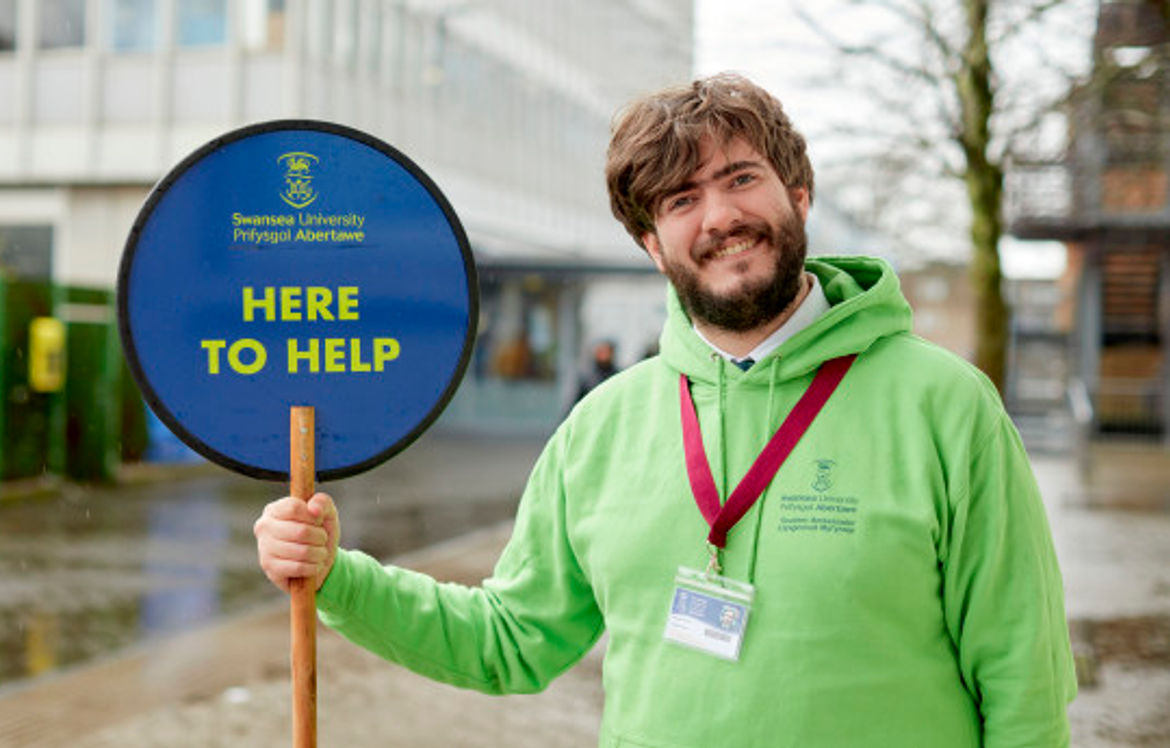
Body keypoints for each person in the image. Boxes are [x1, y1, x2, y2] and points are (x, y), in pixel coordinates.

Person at [254, 73, 1076, 746]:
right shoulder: (600, 429)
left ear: (798, 192)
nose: (719, 217)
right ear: (652, 243)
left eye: (741, 179)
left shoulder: (945, 405)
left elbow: (1022, 677)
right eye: (680, 200)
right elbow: (510, 639)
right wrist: (335, 578)